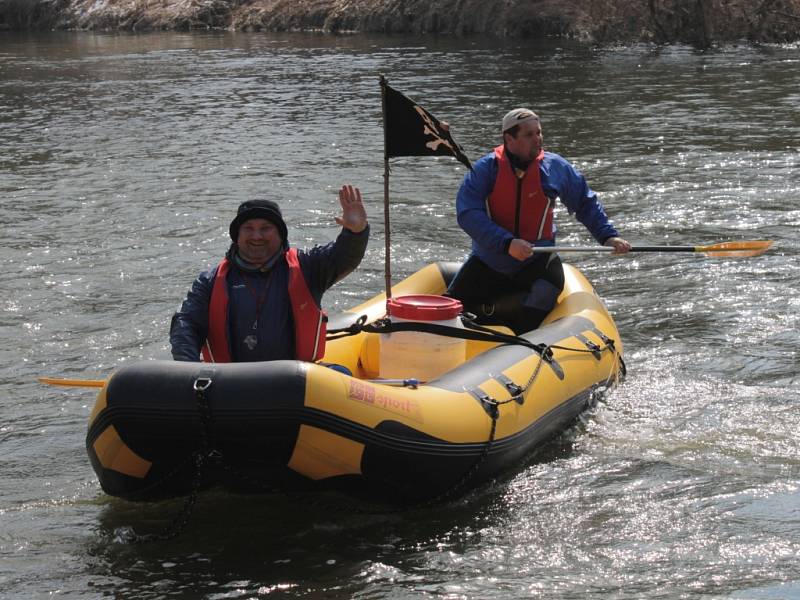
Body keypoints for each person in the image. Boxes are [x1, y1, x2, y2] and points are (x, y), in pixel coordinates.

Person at [446, 108, 630, 334]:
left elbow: (585, 202)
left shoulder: (555, 167)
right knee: (448, 309)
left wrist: (608, 236)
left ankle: (523, 343)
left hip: (538, 260)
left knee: (545, 292)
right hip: (492, 260)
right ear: (509, 139)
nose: (538, 139)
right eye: (529, 135)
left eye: (539, 132)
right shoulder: (485, 170)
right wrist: (507, 243)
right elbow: (468, 214)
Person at [170, 185, 369, 363]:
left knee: (343, 375)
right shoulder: (209, 282)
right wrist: (189, 371)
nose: (257, 236)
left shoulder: (308, 266)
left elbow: (343, 257)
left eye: (266, 229)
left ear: (280, 235)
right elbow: (186, 323)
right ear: (237, 237)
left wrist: (355, 232)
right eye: (248, 229)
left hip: (296, 385)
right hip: (229, 386)